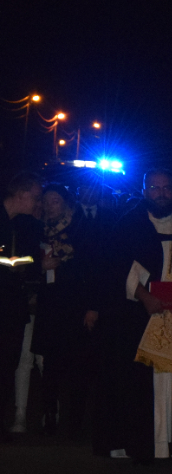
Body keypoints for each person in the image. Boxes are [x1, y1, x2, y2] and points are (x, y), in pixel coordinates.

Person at [101, 170, 172, 464]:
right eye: (154, 188)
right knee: (135, 382)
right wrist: (144, 297)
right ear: (144, 190)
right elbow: (118, 267)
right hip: (139, 316)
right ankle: (141, 443)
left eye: (166, 188)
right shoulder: (129, 224)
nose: (161, 193)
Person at [30, 185, 100, 435]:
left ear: (66, 204)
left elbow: (94, 268)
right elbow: (26, 262)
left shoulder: (81, 228)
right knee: (50, 365)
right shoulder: (38, 229)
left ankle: (76, 421)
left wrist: (93, 307)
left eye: (56, 201)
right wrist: (40, 266)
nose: (50, 207)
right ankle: (50, 416)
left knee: (78, 365)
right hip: (51, 306)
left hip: (76, 305)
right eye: (46, 201)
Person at [0, 174, 42, 441]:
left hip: (11, 306)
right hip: (5, 305)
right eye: (35, 197)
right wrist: (31, 262)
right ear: (21, 194)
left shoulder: (18, 222)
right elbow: (7, 261)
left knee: (9, 364)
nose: (38, 203)